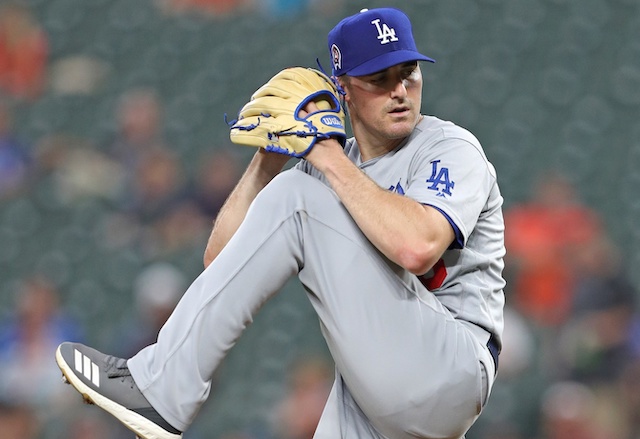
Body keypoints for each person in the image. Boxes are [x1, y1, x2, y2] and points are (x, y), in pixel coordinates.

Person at [55, 7, 505, 439]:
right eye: (379, 78)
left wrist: (323, 156)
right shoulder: (324, 171)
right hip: (377, 390)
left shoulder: (448, 147)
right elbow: (222, 263)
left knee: (297, 198)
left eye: (408, 73)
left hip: (450, 363)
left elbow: (418, 246)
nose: (400, 91)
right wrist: (267, 161)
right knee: (293, 194)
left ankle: (160, 391)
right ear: (343, 89)